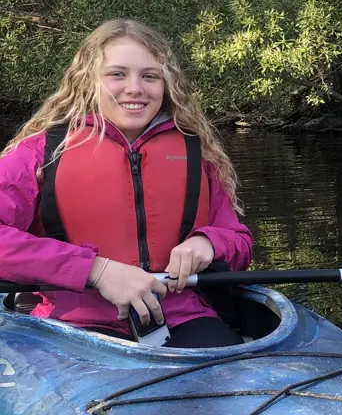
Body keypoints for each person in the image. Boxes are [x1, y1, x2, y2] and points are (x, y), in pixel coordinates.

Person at [0, 19, 253, 346]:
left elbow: (239, 242)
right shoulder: (41, 153)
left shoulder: (198, 155)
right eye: (117, 74)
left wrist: (208, 243)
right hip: (71, 324)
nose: (135, 88)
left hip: (181, 314)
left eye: (150, 76)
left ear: (166, 85)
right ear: (88, 80)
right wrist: (96, 270)